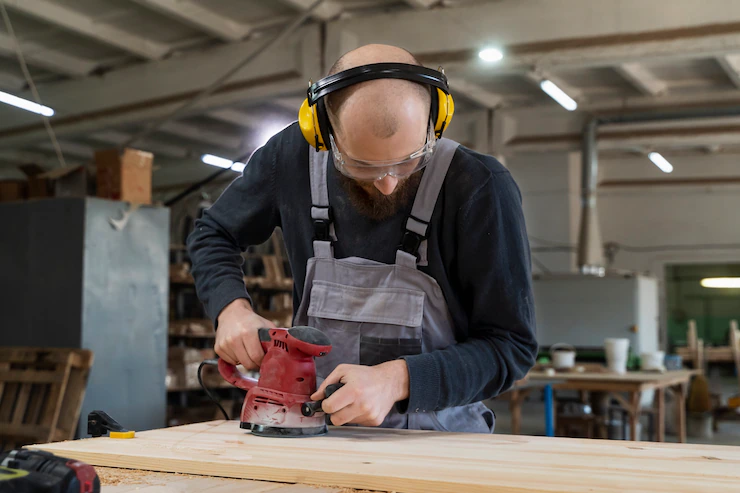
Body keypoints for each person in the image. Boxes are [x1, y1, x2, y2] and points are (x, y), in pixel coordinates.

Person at [187, 44, 537, 433]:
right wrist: (230, 308)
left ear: (435, 123)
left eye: (409, 161)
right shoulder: (290, 160)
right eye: (361, 165)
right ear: (323, 132)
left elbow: (510, 348)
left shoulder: (480, 187)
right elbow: (213, 233)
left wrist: (398, 379)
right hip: (319, 434)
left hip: (442, 443)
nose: (388, 184)